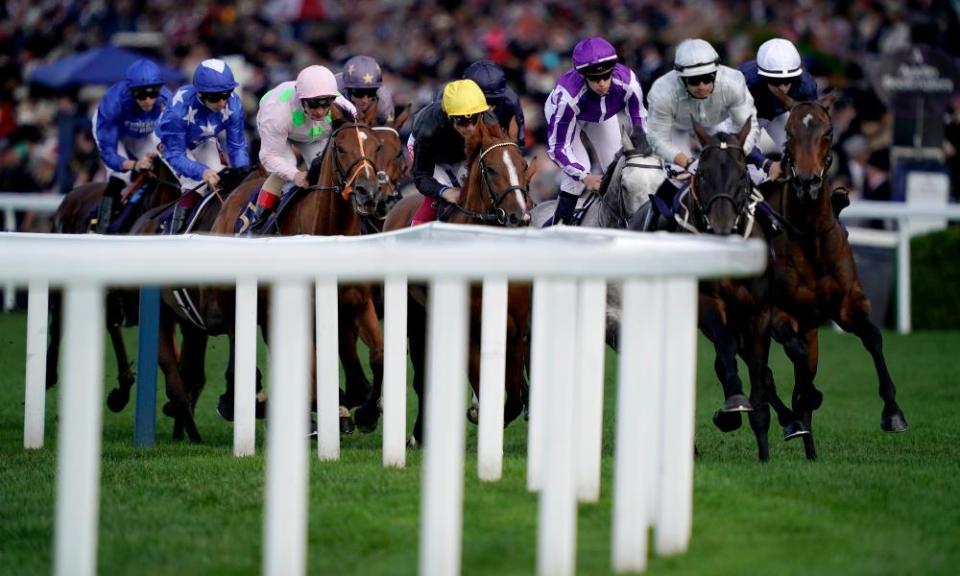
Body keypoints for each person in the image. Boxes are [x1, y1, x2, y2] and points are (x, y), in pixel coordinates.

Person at [543, 36, 648, 225]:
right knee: (577, 176)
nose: (601, 83)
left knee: (619, 171)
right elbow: (557, 148)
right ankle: (558, 227)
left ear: (613, 71)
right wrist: (584, 177)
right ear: (583, 76)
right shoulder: (567, 98)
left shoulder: (629, 83)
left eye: (606, 76)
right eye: (594, 78)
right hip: (569, 117)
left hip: (601, 117)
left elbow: (641, 126)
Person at [645, 38, 759, 209]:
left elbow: (748, 126)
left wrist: (736, 154)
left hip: (718, 125)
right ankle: (654, 221)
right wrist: (687, 162)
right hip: (678, 130)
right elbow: (656, 138)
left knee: (744, 174)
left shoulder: (734, 82)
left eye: (707, 78)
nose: (701, 86)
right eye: (693, 81)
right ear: (680, 79)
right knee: (677, 178)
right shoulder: (661, 91)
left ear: (716, 73)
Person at [740, 38, 849, 213]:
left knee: (803, 151)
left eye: (788, 80)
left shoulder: (806, 85)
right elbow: (740, 141)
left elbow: (813, 129)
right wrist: (768, 165)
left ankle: (819, 198)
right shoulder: (744, 83)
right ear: (762, 76)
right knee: (749, 164)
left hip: (777, 114)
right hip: (746, 118)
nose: (783, 88)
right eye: (775, 81)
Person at [245, 65, 357, 234]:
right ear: (301, 99)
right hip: (280, 128)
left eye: (325, 104)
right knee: (287, 164)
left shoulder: (346, 110)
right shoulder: (276, 113)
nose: (319, 112)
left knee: (325, 169)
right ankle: (257, 225)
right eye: (313, 105)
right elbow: (269, 157)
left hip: (313, 134)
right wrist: (295, 175)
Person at [155, 58, 250, 235]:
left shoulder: (234, 105)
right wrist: (201, 171)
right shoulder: (179, 110)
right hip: (172, 144)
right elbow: (175, 153)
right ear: (199, 94)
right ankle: (173, 237)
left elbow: (237, 146)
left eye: (227, 93)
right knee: (194, 181)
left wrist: (243, 172)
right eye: (215, 97)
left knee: (223, 179)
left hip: (204, 140)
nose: (222, 103)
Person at [92, 59, 172, 233]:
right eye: (141, 95)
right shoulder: (113, 104)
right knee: (121, 176)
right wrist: (134, 165)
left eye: (153, 94)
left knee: (162, 167)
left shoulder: (167, 99)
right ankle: (102, 228)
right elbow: (109, 153)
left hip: (143, 132)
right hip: (114, 134)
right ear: (131, 91)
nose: (149, 101)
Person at [409, 79, 498, 225]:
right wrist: (444, 191)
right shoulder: (428, 130)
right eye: (461, 121)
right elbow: (421, 177)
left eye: (474, 119)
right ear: (449, 117)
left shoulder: (489, 121)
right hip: (433, 155)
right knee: (441, 196)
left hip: (460, 154)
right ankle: (416, 238)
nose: (469, 127)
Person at [463, 59, 526, 149]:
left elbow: (517, 136)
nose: (489, 105)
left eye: (494, 100)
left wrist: (514, 147)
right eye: (485, 99)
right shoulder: (453, 99)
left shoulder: (510, 100)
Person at [336, 55, 395, 126]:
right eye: (359, 93)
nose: (365, 100)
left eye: (371, 93)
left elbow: (388, 131)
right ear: (347, 89)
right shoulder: (333, 89)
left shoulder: (383, 99)